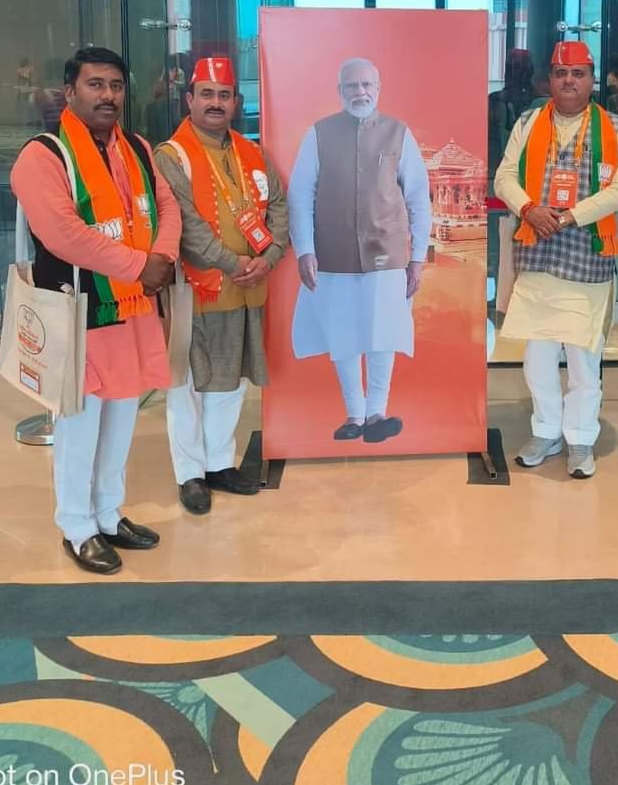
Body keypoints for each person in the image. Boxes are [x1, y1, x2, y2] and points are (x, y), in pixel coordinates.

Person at [10, 46, 181, 575]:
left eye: (116, 86)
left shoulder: (137, 148)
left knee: (123, 415)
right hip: (79, 309)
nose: (108, 95)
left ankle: (108, 513)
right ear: (70, 91)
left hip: (132, 306)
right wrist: (140, 265)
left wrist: (162, 257)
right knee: (80, 425)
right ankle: (77, 526)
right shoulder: (43, 155)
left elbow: (167, 205)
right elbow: (63, 234)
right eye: (95, 84)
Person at [494, 41, 618, 479]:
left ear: (592, 80)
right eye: (561, 73)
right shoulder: (528, 121)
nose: (569, 81)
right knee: (537, 358)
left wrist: (570, 216)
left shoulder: (615, 127)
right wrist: (528, 209)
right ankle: (545, 431)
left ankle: (579, 438)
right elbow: (504, 176)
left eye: (578, 73)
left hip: (587, 256)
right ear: (549, 80)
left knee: (583, 361)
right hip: (536, 252)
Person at [155, 56, 289, 513]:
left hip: (246, 289)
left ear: (236, 102)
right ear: (189, 100)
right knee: (188, 385)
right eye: (207, 94)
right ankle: (190, 474)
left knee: (229, 381)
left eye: (224, 95)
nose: (216, 103)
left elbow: (279, 206)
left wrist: (270, 257)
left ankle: (218, 464)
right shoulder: (171, 156)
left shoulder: (253, 153)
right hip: (197, 289)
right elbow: (186, 226)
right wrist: (235, 263)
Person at [287, 57, 431, 443]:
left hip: (387, 252)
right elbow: (300, 195)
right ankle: (354, 413)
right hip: (332, 254)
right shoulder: (318, 134)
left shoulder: (398, 133)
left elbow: (419, 197)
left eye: (367, 85)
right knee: (343, 333)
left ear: (378, 89)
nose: (360, 92)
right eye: (352, 86)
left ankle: (376, 412)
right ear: (339, 91)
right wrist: (304, 250)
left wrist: (418, 258)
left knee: (383, 333)